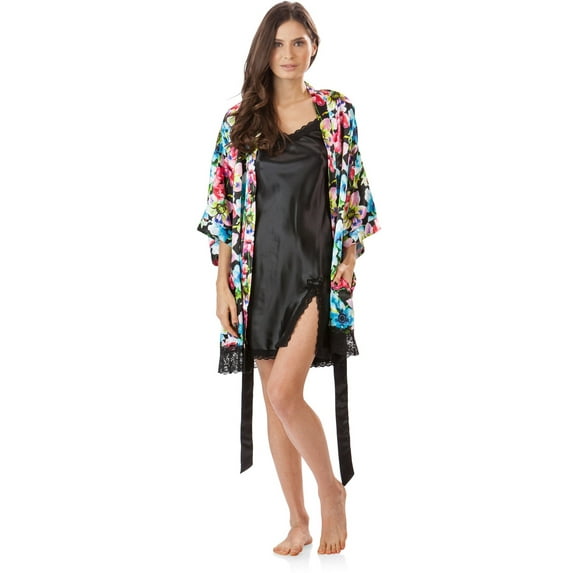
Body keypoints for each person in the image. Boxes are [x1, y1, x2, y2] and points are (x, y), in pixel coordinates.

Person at [197, 1, 380, 556]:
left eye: (299, 42)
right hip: (256, 280)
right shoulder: (239, 121)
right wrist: (222, 284)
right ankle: (298, 521)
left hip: (311, 273)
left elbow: (354, 190)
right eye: (278, 43)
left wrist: (351, 257)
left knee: (283, 392)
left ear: (313, 47)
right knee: (277, 402)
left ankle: (331, 492)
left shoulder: (336, 112)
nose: (288, 53)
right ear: (264, 50)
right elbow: (222, 210)